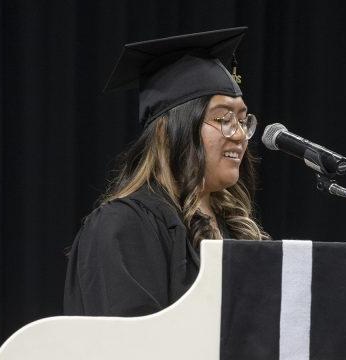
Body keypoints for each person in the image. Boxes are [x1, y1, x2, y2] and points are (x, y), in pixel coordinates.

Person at [64, 27, 268, 317]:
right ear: (167, 133)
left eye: (242, 120)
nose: (238, 135)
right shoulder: (124, 225)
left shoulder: (238, 230)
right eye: (222, 118)